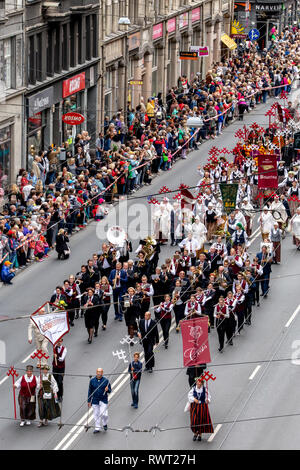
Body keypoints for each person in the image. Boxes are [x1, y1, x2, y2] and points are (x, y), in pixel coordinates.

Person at [87, 368, 111, 433]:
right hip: (95, 400)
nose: (99, 373)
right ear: (96, 372)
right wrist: (89, 401)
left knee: (104, 414)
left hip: (103, 400)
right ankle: (97, 427)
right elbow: (90, 391)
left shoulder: (106, 381)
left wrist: (107, 389)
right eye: (98, 372)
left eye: (100, 372)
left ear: (102, 373)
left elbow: (110, 390)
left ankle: (104, 423)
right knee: (96, 414)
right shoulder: (92, 381)